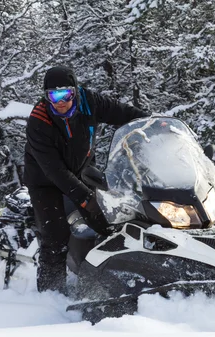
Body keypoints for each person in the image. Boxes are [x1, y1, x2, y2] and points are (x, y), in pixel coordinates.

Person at [24, 66, 149, 294]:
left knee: (114, 218)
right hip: (45, 180)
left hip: (82, 170)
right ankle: (50, 294)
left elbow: (122, 113)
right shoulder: (39, 120)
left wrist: (151, 122)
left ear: (75, 92)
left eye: (66, 94)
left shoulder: (89, 102)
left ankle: (111, 275)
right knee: (56, 235)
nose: (60, 102)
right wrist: (85, 198)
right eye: (53, 96)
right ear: (46, 97)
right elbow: (55, 170)